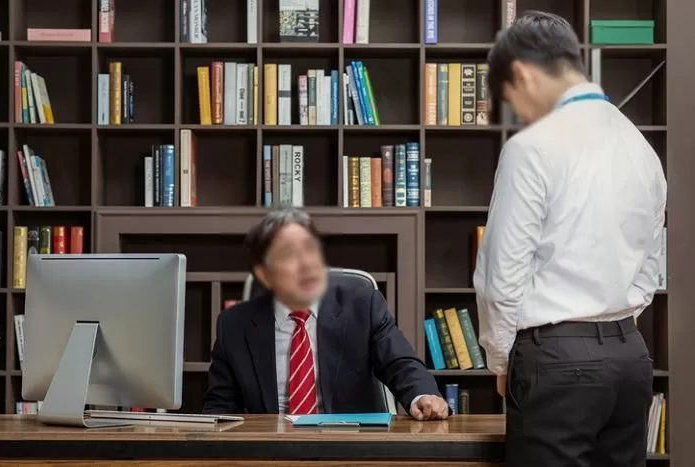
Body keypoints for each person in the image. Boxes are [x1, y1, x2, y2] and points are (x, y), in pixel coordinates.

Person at [473, 10, 666, 467]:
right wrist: (614, 321)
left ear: (522, 72)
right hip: (629, 359)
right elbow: (650, 266)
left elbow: (502, 276)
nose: (518, 111)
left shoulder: (531, 147)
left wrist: (502, 360)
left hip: (556, 360)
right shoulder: (639, 145)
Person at [203, 208, 448, 420]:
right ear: (264, 274)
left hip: (349, 449)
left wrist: (422, 395)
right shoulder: (234, 325)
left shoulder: (362, 305)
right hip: (272, 451)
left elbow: (400, 363)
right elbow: (220, 407)